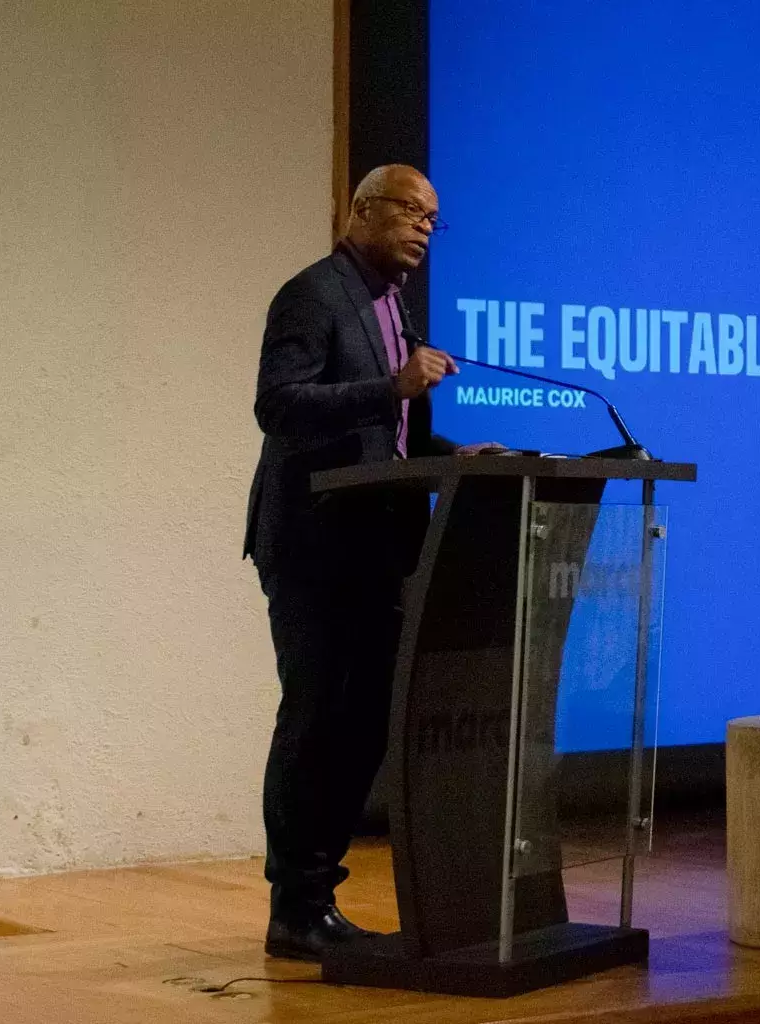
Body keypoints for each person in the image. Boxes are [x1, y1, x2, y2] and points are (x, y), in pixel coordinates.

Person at [242, 164, 492, 960]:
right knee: (316, 720)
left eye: (433, 218)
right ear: (362, 211)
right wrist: (391, 386)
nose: (424, 226)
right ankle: (296, 905)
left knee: (363, 727)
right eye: (411, 211)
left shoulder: (393, 307)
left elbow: (395, 439)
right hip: (315, 545)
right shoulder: (313, 294)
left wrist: (457, 454)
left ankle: (319, 892)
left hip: (376, 545)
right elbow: (277, 405)